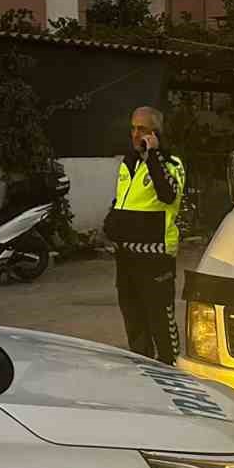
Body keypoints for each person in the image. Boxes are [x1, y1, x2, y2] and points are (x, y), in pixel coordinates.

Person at [104, 105, 184, 364]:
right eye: (133, 128)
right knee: (133, 316)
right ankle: (143, 367)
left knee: (160, 317)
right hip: (126, 255)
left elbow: (168, 194)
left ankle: (171, 369)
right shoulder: (128, 164)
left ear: (155, 133)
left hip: (155, 255)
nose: (135, 134)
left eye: (142, 129)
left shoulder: (171, 164)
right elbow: (122, 201)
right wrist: (111, 226)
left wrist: (154, 155)